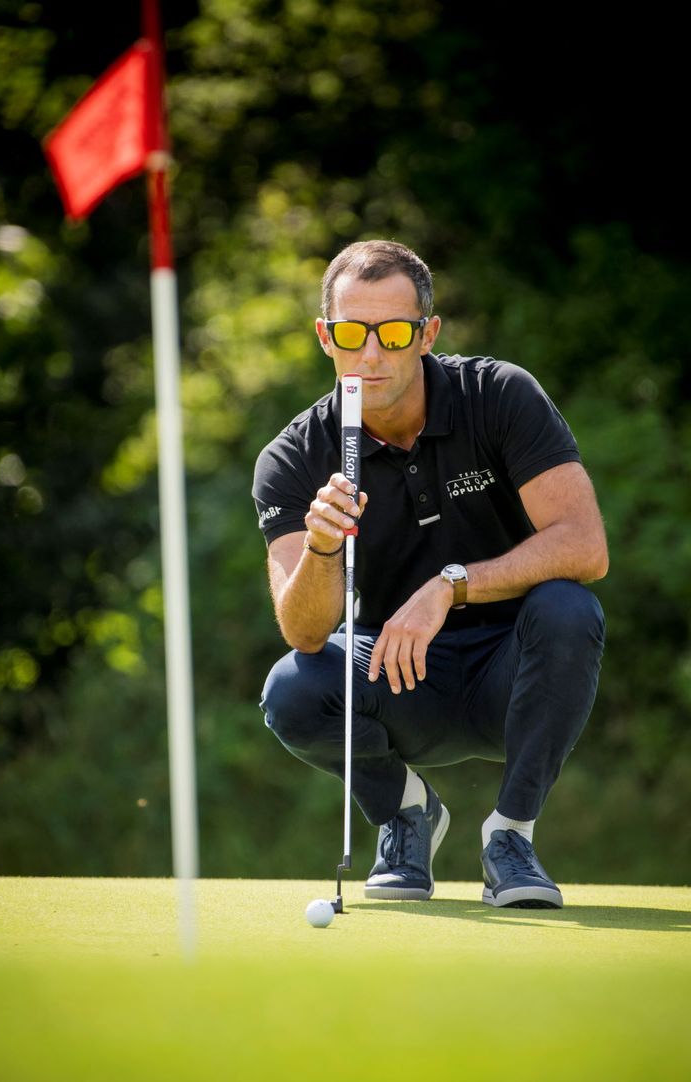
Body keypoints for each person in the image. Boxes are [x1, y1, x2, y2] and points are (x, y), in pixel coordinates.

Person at [252, 240, 607, 909]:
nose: (372, 354)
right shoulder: (294, 455)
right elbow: (304, 630)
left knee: (570, 608)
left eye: (394, 332)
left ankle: (511, 836)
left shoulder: (497, 395)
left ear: (428, 333)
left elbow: (586, 547)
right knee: (292, 687)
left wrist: (451, 583)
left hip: (517, 670)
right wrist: (323, 549)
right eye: (353, 333)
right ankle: (406, 814)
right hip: (400, 674)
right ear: (326, 337)